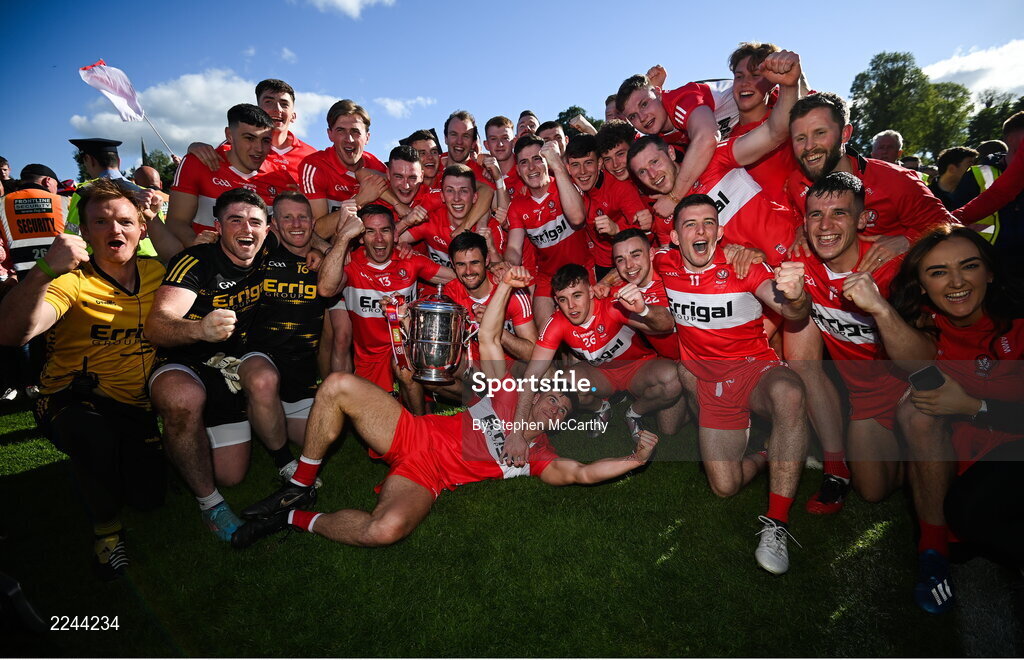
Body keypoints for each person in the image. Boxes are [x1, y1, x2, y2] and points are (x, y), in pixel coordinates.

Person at [230, 265, 660, 549]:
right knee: (339, 384)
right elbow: (489, 337)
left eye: (562, 410)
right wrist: (505, 287)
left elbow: (583, 473)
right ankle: (301, 483)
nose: (555, 407)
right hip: (411, 432)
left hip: (428, 476)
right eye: (552, 396)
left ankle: (290, 519)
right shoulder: (509, 392)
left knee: (384, 531)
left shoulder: (537, 456)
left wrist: (633, 459)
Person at [841, 225, 1023, 613]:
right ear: (922, 285)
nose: (956, 282)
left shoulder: (1018, 321)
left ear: (989, 272)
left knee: (973, 513)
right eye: (938, 272)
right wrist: (880, 309)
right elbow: (915, 361)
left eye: (969, 267)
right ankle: (933, 554)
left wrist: (975, 407)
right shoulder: (928, 321)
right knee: (917, 408)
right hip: (978, 451)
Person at [0, 179, 168, 580]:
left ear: (141, 229)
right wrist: (42, 271)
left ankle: (124, 469)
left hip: (136, 405)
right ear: (86, 232)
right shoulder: (70, 280)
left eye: (126, 221)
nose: (115, 230)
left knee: (148, 498)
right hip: (72, 397)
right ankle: (106, 536)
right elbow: (10, 334)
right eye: (102, 221)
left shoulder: (158, 272)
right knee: (91, 434)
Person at [655, 194, 810, 575]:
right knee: (724, 487)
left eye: (708, 222)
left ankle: (777, 522)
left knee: (790, 392)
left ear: (721, 231)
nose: (700, 230)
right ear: (675, 237)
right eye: (690, 224)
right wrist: (610, 280)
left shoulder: (742, 265)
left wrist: (797, 296)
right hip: (710, 386)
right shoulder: (664, 265)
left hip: (752, 370)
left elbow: (792, 309)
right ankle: (767, 454)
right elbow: (629, 268)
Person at [146, 188, 290, 541]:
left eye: (255, 221)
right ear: (218, 227)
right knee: (182, 400)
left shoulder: (267, 248)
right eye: (235, 220)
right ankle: (210, 504)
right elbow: (156, 324)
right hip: (184, 362)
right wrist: (199, 328)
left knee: (232, 474)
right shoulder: (196, 260)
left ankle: (285, 461)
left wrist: (315, 254)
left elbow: (304, 238)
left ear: (267, 230)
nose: (247, 228)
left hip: (231, 362)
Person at [787, 173, 908, 514]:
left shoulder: (892, 266)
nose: (825, 225)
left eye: (839, 213)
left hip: (912, 388)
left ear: (862, 219)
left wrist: (910, 238)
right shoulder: (802, 264)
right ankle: (843, 464)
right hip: (866, 400)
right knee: (871, 490)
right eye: (815, 215)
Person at [786, 92, 954, 266]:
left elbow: (953, 230)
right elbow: (795, 214)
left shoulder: (895, 181)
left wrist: (908, 241)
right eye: (800, 138)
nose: (809, 146)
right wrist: (801, 229)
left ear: (845, 134)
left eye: (820, 133)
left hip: (897, 289)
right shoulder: (795, 183)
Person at [316, 203, 454, 395]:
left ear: (396, 235)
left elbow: (460, 277)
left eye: (385, 230)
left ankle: (421, 420)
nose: (379, 239)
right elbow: (325, 289)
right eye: (370, 231)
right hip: (369, 361)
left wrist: (494, 270)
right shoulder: (351, 264)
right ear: (361, 238)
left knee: (408, 375)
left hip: (409, 353)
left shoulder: (411, 260)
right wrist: (343, 238)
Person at [245, 191, 335, 457]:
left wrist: (321, 249)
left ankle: (266, 416)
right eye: (288, 217)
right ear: (274, 223)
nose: (296, 224)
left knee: (323, 441)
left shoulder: (324, 265)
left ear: (312, 221)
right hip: (259, 364)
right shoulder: (257, 256)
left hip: (300, 378)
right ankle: (282, 459)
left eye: (302, 217)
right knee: (263, 382)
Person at [167, 104, 297, 245]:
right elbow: (176, 222)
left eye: (265, 140)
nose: (259, 148)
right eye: (249, 138)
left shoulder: (282, 177)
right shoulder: (198, 163)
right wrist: (199, 249)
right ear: (229, 135)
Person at [504, 134, 590, 327]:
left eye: (537, 159)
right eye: (524, 163)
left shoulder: (564, 184)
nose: (532, 167)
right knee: (544, 332)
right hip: (548, 277)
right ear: (518, 170)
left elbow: (577, 218)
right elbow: (514, 248)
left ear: (547, 161)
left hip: (583, 270)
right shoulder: (517, 205)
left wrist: (558, 166)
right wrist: (509, 265)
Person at [186, 79, 317, 183]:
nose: (277, 109)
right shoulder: (233, 145)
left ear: (293, 115)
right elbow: (207, 166)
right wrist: (195, 148)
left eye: (284, 104)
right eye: (269, 102)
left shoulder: (311, 156)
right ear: (257, 110)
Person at [564, 134, 650, 279]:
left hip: (625, 263)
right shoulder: (567, 186)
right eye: (575, 165)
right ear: (568, 168)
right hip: (593, 264)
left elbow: (646, 235)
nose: (583, 171)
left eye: (588, 163)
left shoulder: (620, 188)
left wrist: (617, 230)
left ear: (599, 164)